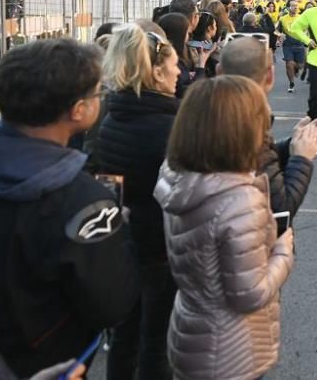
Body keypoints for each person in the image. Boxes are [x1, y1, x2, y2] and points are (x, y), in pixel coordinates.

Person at [0, 39, 139, 378]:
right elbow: (113, 304)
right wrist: (121, 237)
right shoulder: (84, 204)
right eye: (97, 94)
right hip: (52, 362)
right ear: (78, 110)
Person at [154, 76, 297, 380]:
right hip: (231, 348)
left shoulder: (178, 177)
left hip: (190, 329)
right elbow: (249, 293)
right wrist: (283, 250)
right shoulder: (238, 200)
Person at [94, 25, 181, 379]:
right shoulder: (167, 126)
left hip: (125, 243)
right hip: (160, 247)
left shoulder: (114, 114)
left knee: (125, 335)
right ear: (157, 71)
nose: (180, 72)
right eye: (174, 65)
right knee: (156, 340)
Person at [217, 38, 317, 231]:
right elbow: (280, 210)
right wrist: (302, 158)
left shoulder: (205, 113)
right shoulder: (246, 123)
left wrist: (289, 145)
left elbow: (255, 165)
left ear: (219, 71)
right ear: (270, 76)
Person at [277, 0, 306, 94]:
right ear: (288, 7)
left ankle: (296, 68)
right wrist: (279, 35)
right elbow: (276, 30)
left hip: (299, 45)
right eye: (293, 5)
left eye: (296, 5)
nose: (295, 7)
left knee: (301, 66)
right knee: (288, 64)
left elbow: (307, 30)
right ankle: (291, 83)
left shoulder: (302, 18)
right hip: (288, 45)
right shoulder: (282, 19)